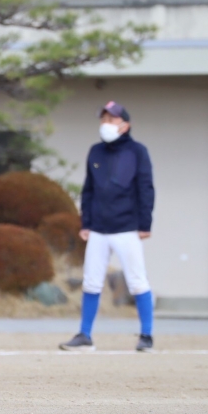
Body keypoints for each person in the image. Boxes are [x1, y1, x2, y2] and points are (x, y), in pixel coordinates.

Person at [60, 101, 155, 352]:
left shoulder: (137, 152)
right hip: (99, 229)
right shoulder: (96, 152)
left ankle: (146, 336)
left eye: (111, 120)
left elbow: (146, 188)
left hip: (127, 227)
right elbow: (88, 189)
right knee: (91, 282)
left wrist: (145, 223)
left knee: (137, 281)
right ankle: (85, 335)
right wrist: (86, 222)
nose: (106, 124)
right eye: (103, 119)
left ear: (125, 125)